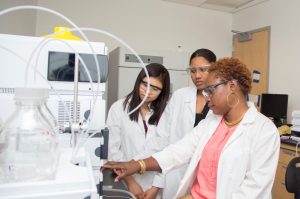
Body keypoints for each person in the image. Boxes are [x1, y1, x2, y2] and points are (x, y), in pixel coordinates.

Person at [103, 57, 280, 199]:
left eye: (210, 90)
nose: (207, 97)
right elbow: (177, 151)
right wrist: (137, 165)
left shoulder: (264, 131)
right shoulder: (211, 123)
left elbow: (253, 190)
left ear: (232, 86)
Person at [134, 48, 216, 198]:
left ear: (215, 68)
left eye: (203, 70)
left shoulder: (220, 101)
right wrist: (135, 163)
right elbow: (161, 138)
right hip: (176, 172)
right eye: (192, 70)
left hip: (206, 176)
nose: (197, 75)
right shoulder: (180, 96)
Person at [106, 63, 170, 199]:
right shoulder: (118, 108)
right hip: (126, 182)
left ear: (162, 92)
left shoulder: (166, 113)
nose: (148, 92)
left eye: (155, 88)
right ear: (138, 81)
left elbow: (167, 152)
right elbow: (112, 151)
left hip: (156, 186)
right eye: (145, 84)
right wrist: (130, 181)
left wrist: (156, 187)